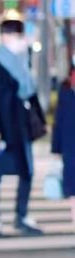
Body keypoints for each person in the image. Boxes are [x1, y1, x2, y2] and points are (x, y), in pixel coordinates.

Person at [0, 19, 45, 238]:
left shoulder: (22, 62)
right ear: (6, 37)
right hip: (1, 129)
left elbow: (30, 93)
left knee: (27, 172)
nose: (22, 41)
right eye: (19, 37)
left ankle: (22, 215)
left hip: (21, 127)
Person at [51, 65, 75, 230]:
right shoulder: (65, 88)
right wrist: (56, 148)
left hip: (68, 145)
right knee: (73, 191)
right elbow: (58, 121)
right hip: (70, 145)